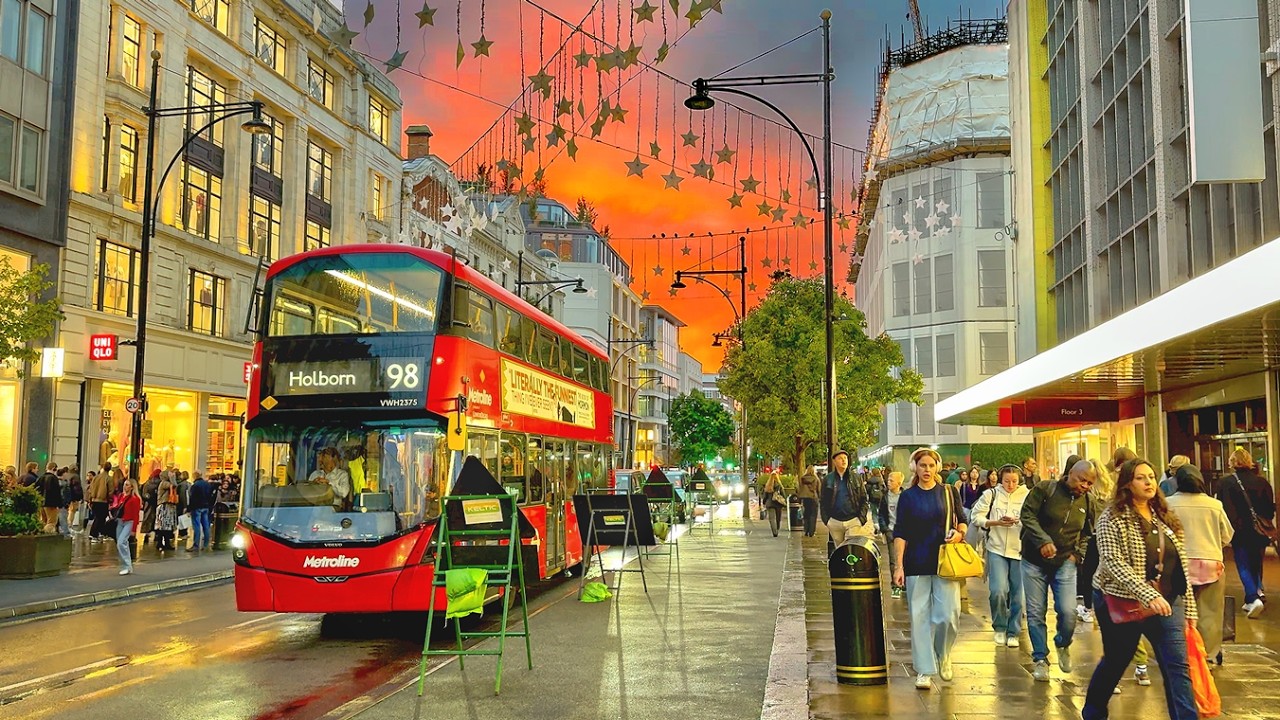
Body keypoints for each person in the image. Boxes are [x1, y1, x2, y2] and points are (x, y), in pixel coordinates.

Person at [1081, 458, 1198, 719]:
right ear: (1127, 484)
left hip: (1168, 601)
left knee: (1177, 666)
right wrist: (1148, 595)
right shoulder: (1112, 517)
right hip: (1121, 601)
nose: (1148, 482)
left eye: (1151, 477)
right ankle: (1093, 711)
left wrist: (1190, 609)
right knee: (1117, 659)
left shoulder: (1165, 516)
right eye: (1140, 478)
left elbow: (1180, 565)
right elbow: (1113, 562)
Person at [892, 447, 967, 690]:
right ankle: (924, 669)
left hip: (945, 562)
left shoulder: (948, 492)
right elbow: (900, 532)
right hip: (916, 562)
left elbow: (962, 520)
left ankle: (943, 653)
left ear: (938, 468)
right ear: (915, 468)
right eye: (922, 465)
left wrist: (959, 534)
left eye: (931, 465)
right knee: (919, 617)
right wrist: (899, 566)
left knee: (949, 614)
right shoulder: (908, 497)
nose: (927, 470)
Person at [1020, 459, 1099, 682]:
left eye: (1089, 483)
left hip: (1065, 560)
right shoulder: (1046, 489)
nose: (1085, 486)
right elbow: (1027, 515)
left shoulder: (1088, 501)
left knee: (1068, 611)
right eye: (1082, 480)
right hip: (1033, 560)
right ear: (1070, 473)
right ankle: (1040, 659)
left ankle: (1062, 642)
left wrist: (1077, 555)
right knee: (1036, 612)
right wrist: (1042, 541)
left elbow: (1087, 533)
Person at [1165, 464, 1233, 663]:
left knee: (1178, 611)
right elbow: (1227, 535)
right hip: (1210, 563)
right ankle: (1207, 655)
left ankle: (1181, 652)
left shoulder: (1168, 504)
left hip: (1177, 564)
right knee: (1210, 613)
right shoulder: (1214, 505)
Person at [971, 464, 1029, 648]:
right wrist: (994, 522)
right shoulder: (991, 494)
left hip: (1020, 550)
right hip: (996, 548)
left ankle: (1014, 631)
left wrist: (1020, 521)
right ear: (1000, 480)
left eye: (1014, 481)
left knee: (1018, 595)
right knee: (998, 590)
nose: (1010, 485)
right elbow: (976, 516)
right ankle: (1000, 626)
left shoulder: (1028, 496)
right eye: (1006, 481)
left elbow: (1036, 519)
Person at [1218, 447, 1275, 618]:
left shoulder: (1225, 483)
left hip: (1239, 530)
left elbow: (1225, 509)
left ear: (1232, 462)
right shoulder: (1262, 482)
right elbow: (1269, 509)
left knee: (1243, 564)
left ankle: (1252, 597)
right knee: (1256, 562)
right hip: (1259, 530)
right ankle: (1258, 590)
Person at [820, 449, 875, 545]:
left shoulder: (856, 477)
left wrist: (861, 518)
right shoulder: (828, 479)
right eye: (840, 458)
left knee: (851, 549)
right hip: (835, 521)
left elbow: (864, 498)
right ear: (834, 461)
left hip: (853, 520)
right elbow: (823, 501)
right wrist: (827, 520)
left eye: (845, 458)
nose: (844, 460)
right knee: (840, 550)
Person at [878, 471, 906, 598]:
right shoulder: (885, 497)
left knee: (905, 559)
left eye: (891, 481)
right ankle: (896, 585)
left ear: (899, 483)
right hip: (891, 531)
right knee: (893, 560)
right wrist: (885, 529)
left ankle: (905, 583)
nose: (888, 482)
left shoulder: (905, 496)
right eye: (888, 480)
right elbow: (881, 514)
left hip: (905, 532)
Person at [113, 479, 142, 575]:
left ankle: (126, 566)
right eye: (125, 484)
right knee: (121, 543)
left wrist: (134, 529)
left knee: (121, 543)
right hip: (120, 521)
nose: (125, 486)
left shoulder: (135, 499)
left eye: (127, 485)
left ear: (132, 487)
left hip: (129, 522)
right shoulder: (121, 496)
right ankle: (126, 566)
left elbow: (136, 515)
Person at [187, 472, 214, 551]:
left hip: (196, 507)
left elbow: (192, 498)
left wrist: (189, 509)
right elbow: (211, 496)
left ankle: (196, 545)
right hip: (206, 507)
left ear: (194, 476)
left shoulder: (195, 486)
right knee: (206, 526)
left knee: (196, 526)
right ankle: (206, 544)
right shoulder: (207, 484)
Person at [88, 464, 114, 542]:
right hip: (103, 501)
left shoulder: (96, 477)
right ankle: (94, 534)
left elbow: (91, 489)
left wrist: (90, 499)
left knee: (97, 517)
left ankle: (96, 533)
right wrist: (110, 500)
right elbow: (110, 491)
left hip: (94, 500)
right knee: (100, 518)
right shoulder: (108, 478)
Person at [153, 472, 178, 551]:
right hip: (164, 507)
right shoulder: (164, 483)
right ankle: (162, 543)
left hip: (166, 506)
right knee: (163, 526)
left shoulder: (163, 483)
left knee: (164, 526)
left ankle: (163, 543)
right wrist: (172, 478)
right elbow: (174, 485)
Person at [36, 462, 61, 531]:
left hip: (41, 503)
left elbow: (37, 489)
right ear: (54, 468)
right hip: (51, 504)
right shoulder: (53, 478)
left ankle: (40, 532)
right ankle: (46, 534)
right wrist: (59, 504)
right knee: (51, 522)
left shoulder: (41, 477)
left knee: (43, 521)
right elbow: (56, 492)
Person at [795, 466, 820, 537]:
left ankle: (806, 530)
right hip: (813, 498)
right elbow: (819, 489)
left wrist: (800, 498)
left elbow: (799, 489)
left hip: (805, 499)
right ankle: (811, 532)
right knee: (813, 515)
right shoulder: (815, 479)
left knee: (806, 514)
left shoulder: (802, 479)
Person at [761, 471, 786, 537]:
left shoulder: (768, 486)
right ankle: (777, 528)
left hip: (770, 504)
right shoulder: (779, 486)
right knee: (778, 518)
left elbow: (765, 496)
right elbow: (783, 495)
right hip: (778, 504)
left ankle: (774, 531)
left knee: (771, 519)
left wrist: (764, 502)